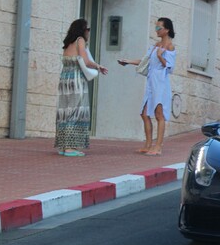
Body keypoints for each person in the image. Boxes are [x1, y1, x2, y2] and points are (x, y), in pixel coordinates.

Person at [118, 18, 176, 156]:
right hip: (151, 80)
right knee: (144, 113)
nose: (156, 30)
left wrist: (161, 56)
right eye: (156, 27)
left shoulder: (170, 47)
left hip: (161, 82)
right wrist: (128, 62)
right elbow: (146, 61)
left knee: (159, 114)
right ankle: (148, 144)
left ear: (166, 30)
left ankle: (158, 146)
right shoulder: (156, 45)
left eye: (159, 28)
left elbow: (169, 67)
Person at [55, 18, 108, 157]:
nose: (89, 32)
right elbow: (85, 60)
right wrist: (98, 66)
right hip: (77, 79)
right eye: (88, 29)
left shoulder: (68, 43)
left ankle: (65, 145)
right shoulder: (80, 40)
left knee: (65, 111)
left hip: (65, 80)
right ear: (82, 30)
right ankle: (70, 148)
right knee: (76, 110)